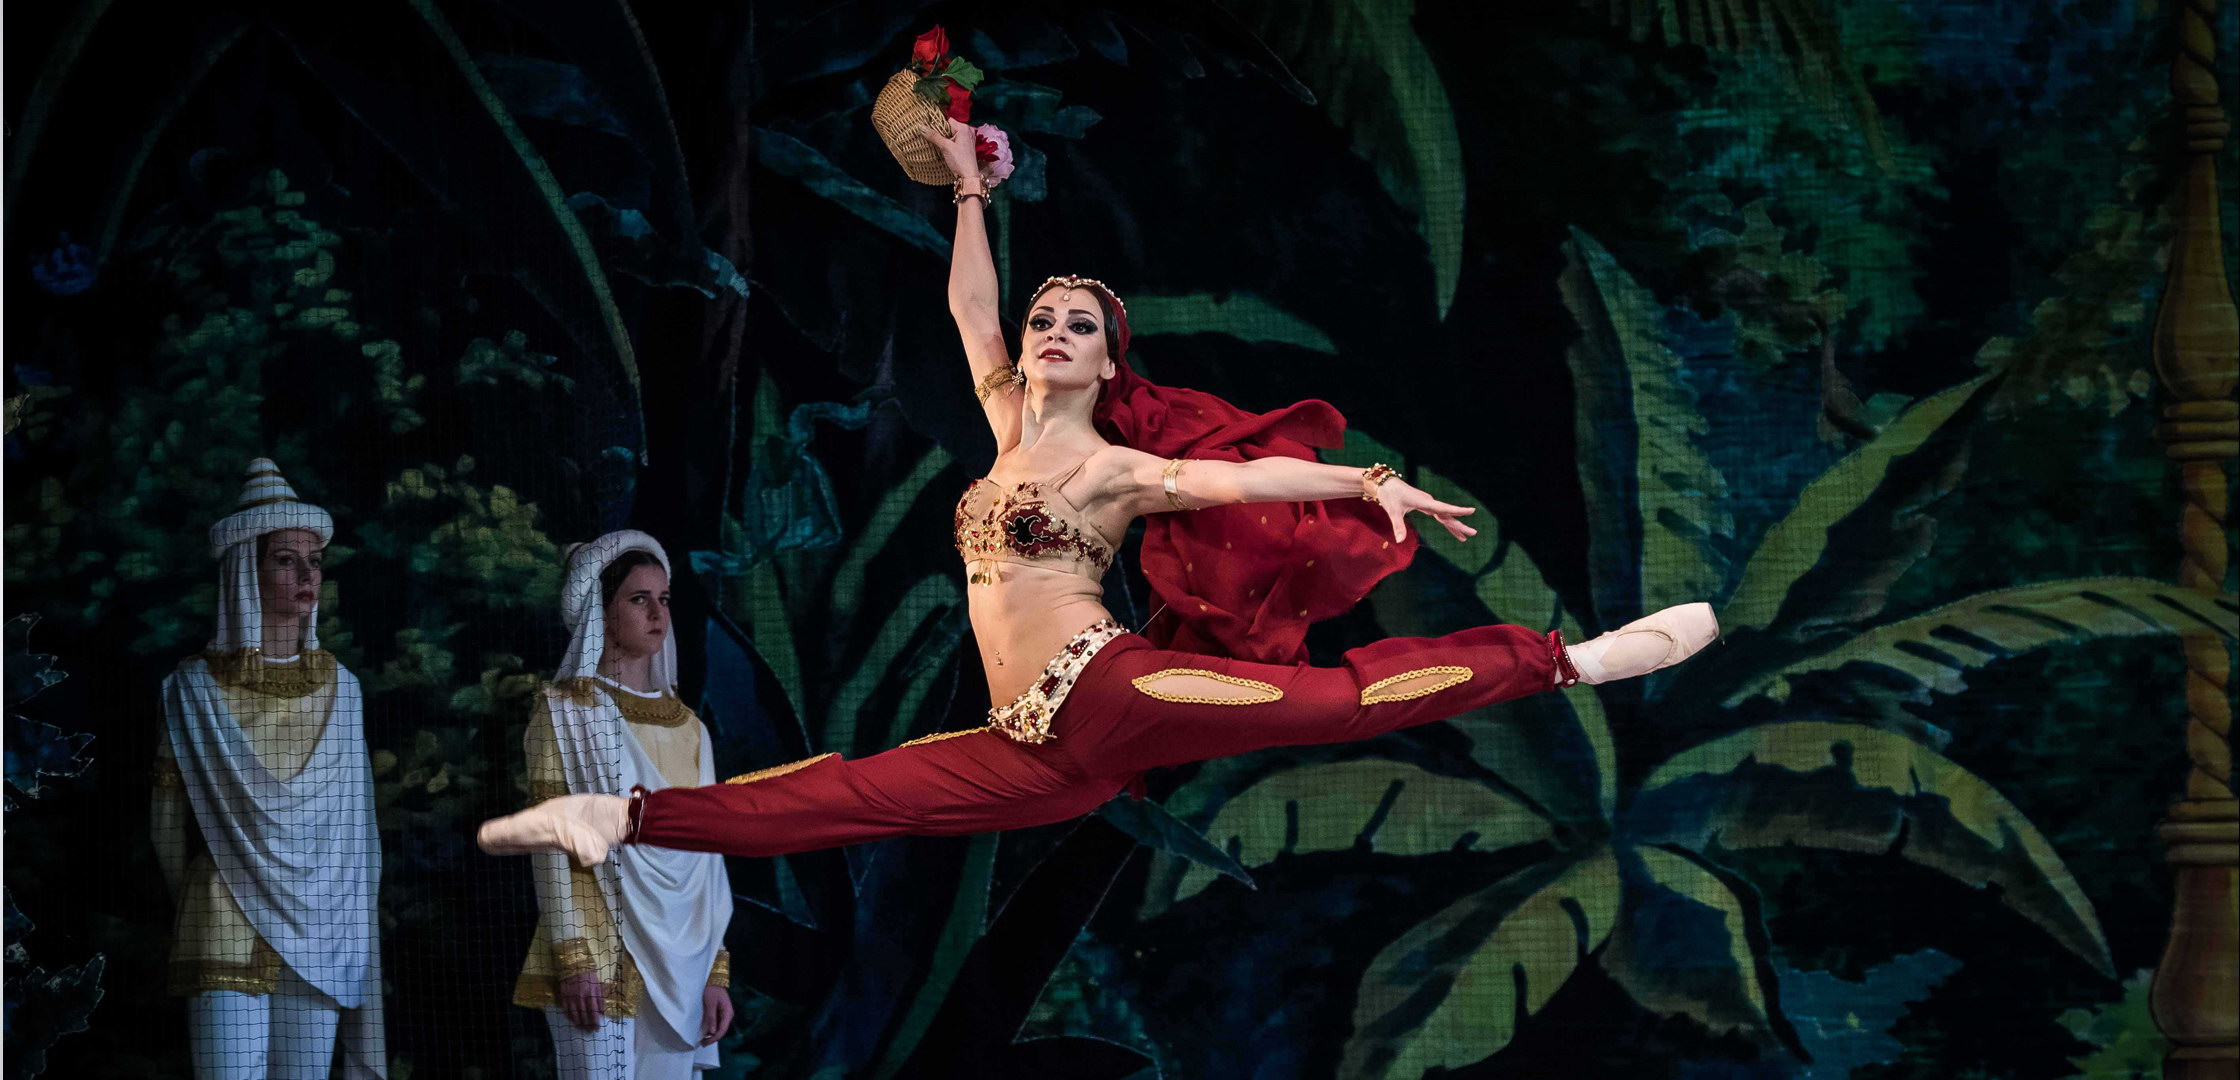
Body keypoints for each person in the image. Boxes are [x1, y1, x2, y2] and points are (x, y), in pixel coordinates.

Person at [476, 123, 1717, 868]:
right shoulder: (1007, 424)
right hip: (1033, 750)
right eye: (1044, 319)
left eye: (1078, 324)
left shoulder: (1114, 469)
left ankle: (1570, 661)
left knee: (1339, 703)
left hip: (1112, 691)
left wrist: (1365, 479)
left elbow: (1243, 474)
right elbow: (969, 305)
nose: (1051, 331)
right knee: (851, 796)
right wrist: (968, 189)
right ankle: (619, 821)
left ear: (1110, 362)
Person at [151, 458, 386, 1079]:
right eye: (286, 560)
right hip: (223, 918)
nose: (307, 575)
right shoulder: (192, 689)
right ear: (245, 572)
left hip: (325, 921)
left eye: (315, 561)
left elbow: (358, 834)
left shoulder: (344, 689)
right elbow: (166, 826)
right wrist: (207, 891)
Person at [510, 533, 735, 1078]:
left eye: (664, 599)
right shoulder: (566, 714)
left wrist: (714, 970)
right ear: (601, 613)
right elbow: (552, 844)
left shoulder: (691, 729)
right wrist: (572, 957)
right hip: (595, 955)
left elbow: (706, 860)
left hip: (683, 960)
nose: (658, 613)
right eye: (639, 599)